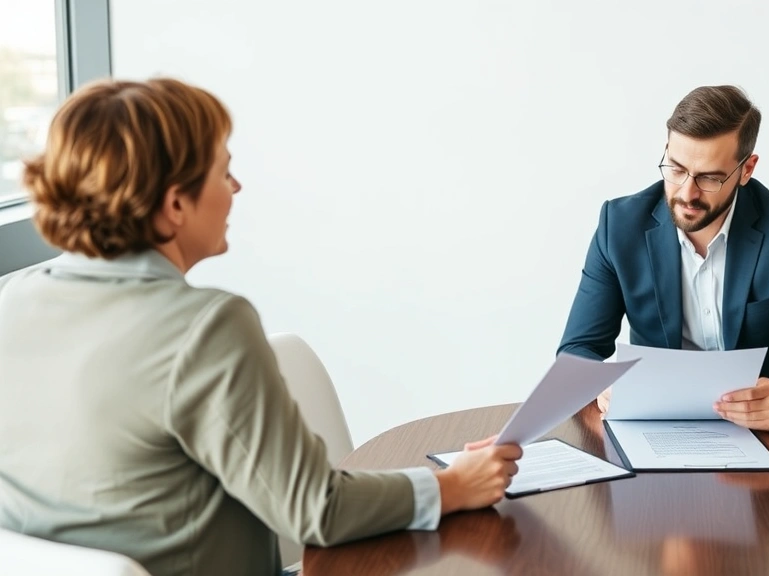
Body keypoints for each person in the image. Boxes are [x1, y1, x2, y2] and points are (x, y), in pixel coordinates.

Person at [0, 77, 522, 576]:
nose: (237, 186)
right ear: (175, 204)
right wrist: (453, 486)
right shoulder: (202, 327)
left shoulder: (11, 301)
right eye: (223, 172)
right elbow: (317, 508)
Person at [557, 85, 769, 431]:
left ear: (746, 169)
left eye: (709, 178)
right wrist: (604, 385)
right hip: (654, 430)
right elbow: (576, 351)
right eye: (676, 169)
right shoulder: (619, 226)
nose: (686, 193)